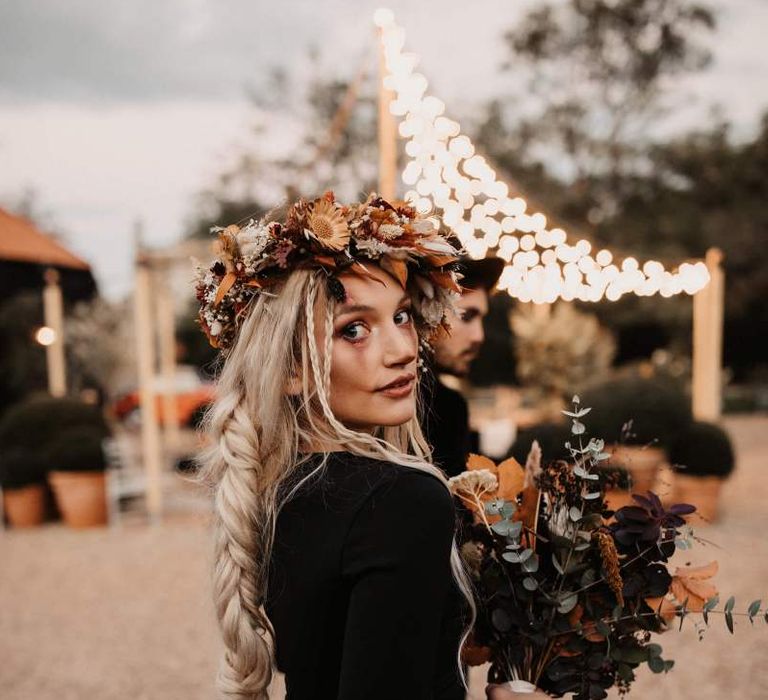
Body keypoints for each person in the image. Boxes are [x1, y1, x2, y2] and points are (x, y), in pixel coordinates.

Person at [196, 192, 475, 700]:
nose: (403, 351)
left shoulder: (282, 490)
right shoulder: (399, 499)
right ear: (291, 371)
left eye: (402, 316)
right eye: (354, 330)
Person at [421, 254, 504, 477]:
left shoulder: (446, 405)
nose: (479, 336)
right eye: (466, 316)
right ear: (425, 312)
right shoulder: (444, 407)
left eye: (481, 319)